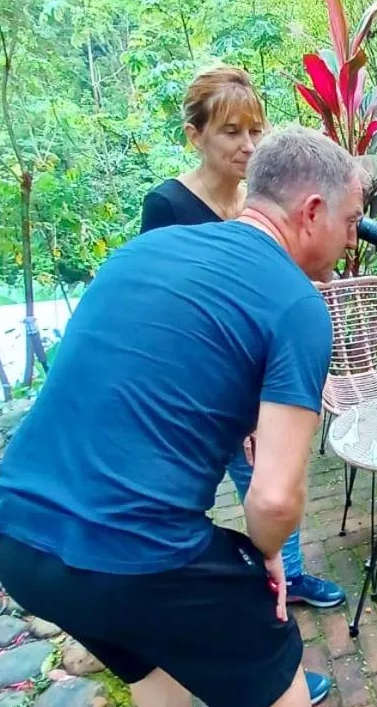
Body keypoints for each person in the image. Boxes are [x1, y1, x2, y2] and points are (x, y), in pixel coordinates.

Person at [0, 127, 376, 707]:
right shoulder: (296, 304)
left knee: (141, 648)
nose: (353, 240)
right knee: (272, 653)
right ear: (313, 211)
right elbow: (275, 498)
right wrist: (264, 559)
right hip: (138, 552)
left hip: (18, 536)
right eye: (352, 222)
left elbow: (146, 378)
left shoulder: (145, 250)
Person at [140, 66, 346, 616]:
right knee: (223, 489)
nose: (248, 145)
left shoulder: (257, 204)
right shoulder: (169, 208)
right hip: (207, 386)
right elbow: (174, 320)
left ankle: (290, 576)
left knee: (276, 476)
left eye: (256, 130)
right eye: (232, 132)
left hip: (261, 376)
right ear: (196, 135)